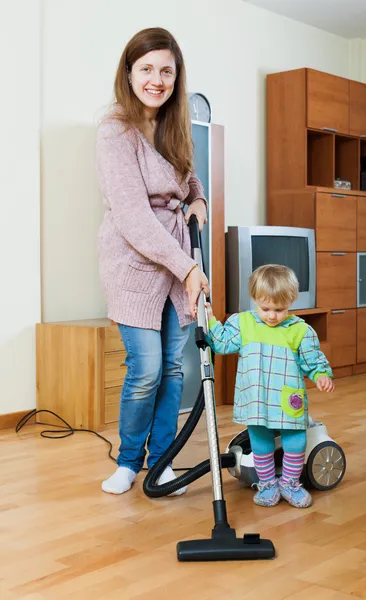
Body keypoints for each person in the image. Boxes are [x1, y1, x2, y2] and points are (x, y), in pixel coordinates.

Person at [96, 27, 210, 496]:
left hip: (176, 258)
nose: (156, 79)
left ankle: (161, 463)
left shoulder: (173, 125)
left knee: (174, 366)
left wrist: (199, 200)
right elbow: (133, 217)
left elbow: (188, 179)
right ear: (129, 73)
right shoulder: (114, 129)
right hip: (134, 262)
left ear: (176, 76)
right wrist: (187, 267)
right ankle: (128, 461)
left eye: (166, 70)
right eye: (146, 69)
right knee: (145, 369)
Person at [205, 264, 334, 508]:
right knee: (260, 441)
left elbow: (312, 360)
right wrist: (209, 319)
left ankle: (289, 483)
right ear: (253, 298)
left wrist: (321, 375)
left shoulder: (300, 331)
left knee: (295, 440)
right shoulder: (242, 323)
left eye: (280, 309)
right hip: (256, 400)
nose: (272, 316)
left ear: (291, 302)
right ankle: (266, 485)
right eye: (265, 309)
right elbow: (221, 344)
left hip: (288, 399)